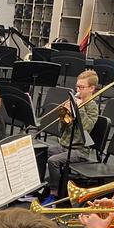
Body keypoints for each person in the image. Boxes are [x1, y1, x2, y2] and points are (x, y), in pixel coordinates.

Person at [44, 69, 101, 201]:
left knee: (53, 161)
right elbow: (61, 130)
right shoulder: (75, 102)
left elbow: (86, 127)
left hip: (80, 150)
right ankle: (46, 185)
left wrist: (79, 109)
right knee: (43, 152)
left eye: (82, 87)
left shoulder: (92, 107)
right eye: (77, 86)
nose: (78, 90)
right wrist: (64, 115)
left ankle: (54, 193)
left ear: (92, 88)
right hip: (64, 145)